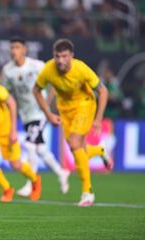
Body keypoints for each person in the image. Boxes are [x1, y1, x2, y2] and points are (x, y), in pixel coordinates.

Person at [33, 38, 113, 207]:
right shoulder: (49, 69)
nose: (60, 60)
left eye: (64, 56)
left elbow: (103, 91)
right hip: (65, 110)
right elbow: (36, 90)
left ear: (71, 56)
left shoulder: (81, 68)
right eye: (57, 56)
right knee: (77, 149)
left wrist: (98, 119)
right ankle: (100, 150)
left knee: (75, 144)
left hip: (84, 105)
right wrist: (48, 114)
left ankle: (87, 192)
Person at [2, 37, 70, 197]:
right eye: (12, 48)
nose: (14, 51)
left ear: (24, 50)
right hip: (25, 114)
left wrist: (46, 104)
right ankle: (61, 172)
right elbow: (8, 93)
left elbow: (53, 82)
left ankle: (31, 183)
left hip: (40, 113)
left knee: (30, 145)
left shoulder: (37, 65)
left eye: (17, 47)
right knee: (40, 148)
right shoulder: (8, 70)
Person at [0, 80, 41, 202]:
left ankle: (35, 179)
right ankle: (7, 189)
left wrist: (13, 130)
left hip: (5, 129)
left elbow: (11, 103)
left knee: (15, 165)